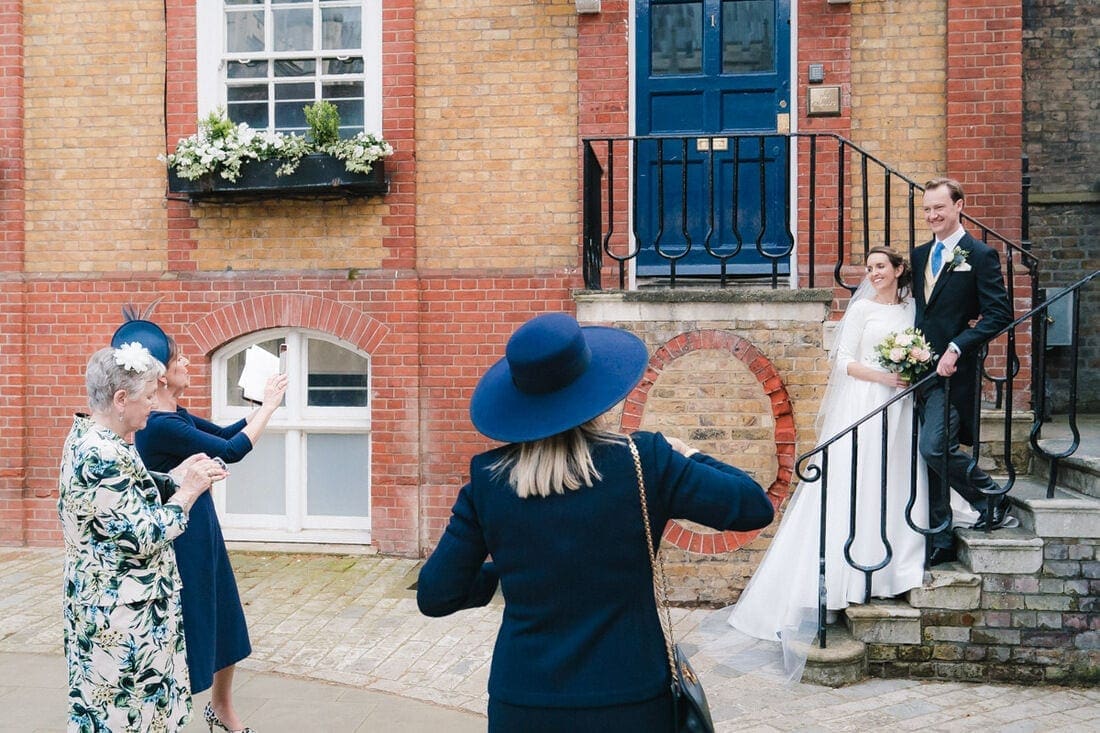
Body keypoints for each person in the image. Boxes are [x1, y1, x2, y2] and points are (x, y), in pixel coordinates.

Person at [416, 312, 774, 733]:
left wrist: (507, 574)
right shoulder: (646, 460)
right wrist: (689, 454)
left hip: (525, 703)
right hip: (630, 698)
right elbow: (753, 506)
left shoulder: (488, 479)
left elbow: (437, 595)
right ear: (593, 384)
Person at [723, 247, 976, 681]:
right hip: (867, 399)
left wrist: (911, 367)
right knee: (858, 477)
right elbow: (843, 362)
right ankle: (850, 574)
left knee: (897, 475)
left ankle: (892, 565)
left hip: (901, 404)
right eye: (869, 268)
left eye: (881, 267)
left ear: (899, 271)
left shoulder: (914, 307)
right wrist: (885, 375)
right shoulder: (860, 309)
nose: (873, 273)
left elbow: (925, 345)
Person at [112, 318, 288, 733]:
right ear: (160, 375)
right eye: (178, 359)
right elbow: (233, 449)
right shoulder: (159, 424)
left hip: (201, 523)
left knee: (225, 613)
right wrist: (269, 407)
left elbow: (225, 433)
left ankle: (221, 709)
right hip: (178, 536)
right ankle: (166, 714)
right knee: (192, 619)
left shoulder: (177, 414)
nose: (188, 362)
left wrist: (257, 405)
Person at [59, 343, 227, 732]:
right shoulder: (102, 453)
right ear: (121, 399)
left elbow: (124, 499)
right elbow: (142, 535)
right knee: (124, 719)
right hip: (121, 620)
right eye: (148, 396)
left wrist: (176, 476)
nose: (154, 404)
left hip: (117, 608)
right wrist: (188, 493)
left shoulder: (97, 438)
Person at [912, 177, 1014, 567]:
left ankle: (991, 497)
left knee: (935, 447)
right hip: (918, 371)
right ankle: (940, 539)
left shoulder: (980, 254)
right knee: (928, 458)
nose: (932, 215)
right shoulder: (920, 255)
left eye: (939, 207)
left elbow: (999, 313)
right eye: (927, 209)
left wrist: (957, 346)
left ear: (959, 206)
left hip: (954, 373)